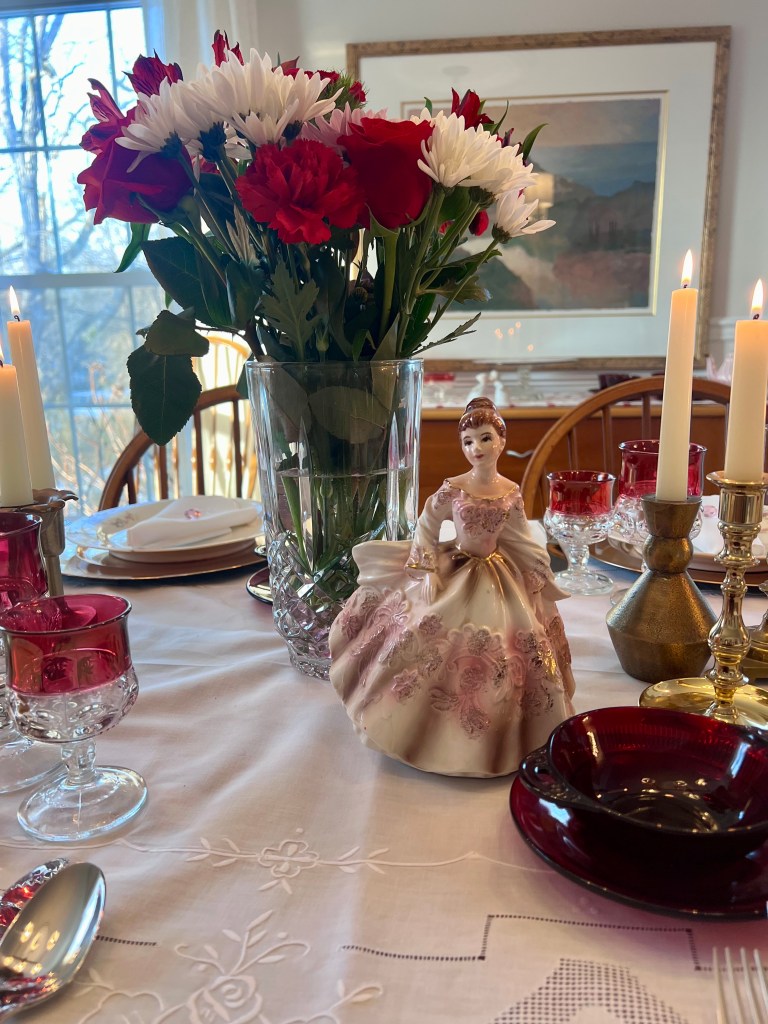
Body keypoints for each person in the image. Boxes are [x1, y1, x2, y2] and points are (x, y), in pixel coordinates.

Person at [329, 398, 575, 778]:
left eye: (484, 439)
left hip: (497, 577)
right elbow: (427, 527)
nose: (476, 448)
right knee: (424, 633)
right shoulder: (452, 489)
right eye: (468, 442)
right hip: (453, 570)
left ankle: (501, 741)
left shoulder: (510, 492)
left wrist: (538, 574)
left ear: (501, 440)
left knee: (514, 645)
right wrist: (428, 570)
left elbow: (518, 539)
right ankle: (408, 725)